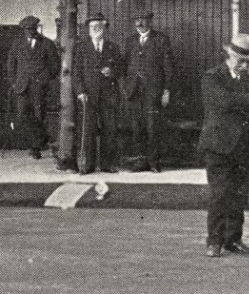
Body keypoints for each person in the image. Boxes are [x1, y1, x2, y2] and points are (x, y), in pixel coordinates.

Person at [198, 34, 249, 258]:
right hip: (218, 146)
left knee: (239, 195)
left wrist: (248, 101)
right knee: (220, 194)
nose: (244, 65)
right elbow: (222, 101)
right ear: (229, 54)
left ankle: (233, 239)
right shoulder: (212, 77)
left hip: (243, 146)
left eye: (248, 61)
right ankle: (214, 241)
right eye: (240, 60)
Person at [122, 11, 175, 172]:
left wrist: (166, 90)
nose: (139, 23)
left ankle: (154, 163)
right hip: (133, 92)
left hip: (153, 93)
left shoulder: (161, 40)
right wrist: (125, 86)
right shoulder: (130, 41)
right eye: (137, 20)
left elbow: (169, 68)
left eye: (143, 20)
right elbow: (124, 65)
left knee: (152, 128)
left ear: (150, 22)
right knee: (136, 128)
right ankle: (140, 162)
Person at [72, 13, 123, 174]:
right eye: (92, 26)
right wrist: (80, 92)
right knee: (88, 130)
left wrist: (112, 72)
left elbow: (122, 69)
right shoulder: (81, 47)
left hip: (109, 95)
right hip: (88, 95)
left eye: (98, 26)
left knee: (109, 129)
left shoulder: (113, 47)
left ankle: (107, 165)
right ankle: (88, 165)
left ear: (104, 28)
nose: (95, 29)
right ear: (88, 29)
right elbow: (76, 72)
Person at [6, 15, 59, 161]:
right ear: (23, 30)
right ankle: (44, 139)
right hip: (22, 86)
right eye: (27, 29)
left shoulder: (47, 44)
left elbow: (55, 66)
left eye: (32, 29)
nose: (30, 31)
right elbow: (11, 64)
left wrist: (44, 79)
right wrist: (14, 82)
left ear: (37, 28)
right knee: (22, 115)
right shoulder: (17, 44)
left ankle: (35, 148)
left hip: (39, 87)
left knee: (38, 115)